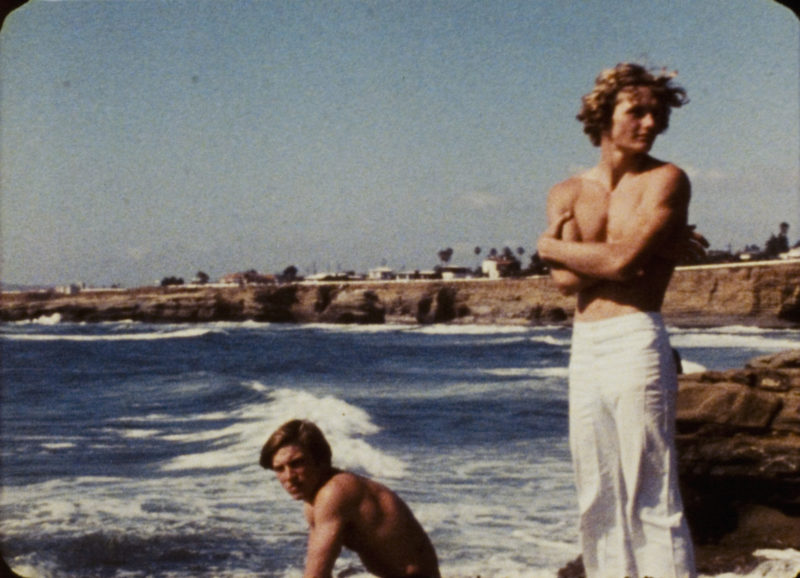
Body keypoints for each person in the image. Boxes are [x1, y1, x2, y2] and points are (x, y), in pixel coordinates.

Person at [537, 63, 706, 578]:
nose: (650, 122)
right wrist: (584, 259)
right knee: (598, 494)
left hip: (636, 337)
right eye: (637, 111)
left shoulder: (667, 180)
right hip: (586, 346)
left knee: (650, 492)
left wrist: (550, 246)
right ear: (602, 116)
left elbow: (620, 262)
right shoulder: (566, 191)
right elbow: (566, 285)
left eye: (657, 113)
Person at [260, 419, 441, 578]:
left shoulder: (335, 493)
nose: (289, 476)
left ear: (320, 460)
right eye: (279, 469)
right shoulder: (314, 500)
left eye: (297, 463)